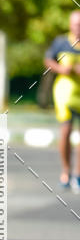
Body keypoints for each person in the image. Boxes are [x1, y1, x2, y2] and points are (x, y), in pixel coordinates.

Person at [45, 11, 80, 191]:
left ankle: (78, 174)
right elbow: (48, 60)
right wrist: (60, 68)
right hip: (64, 92)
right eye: (75, 24)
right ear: (70, 25)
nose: (78, 28)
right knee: (66, 131)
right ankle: (66, 171)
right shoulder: (61, 42)